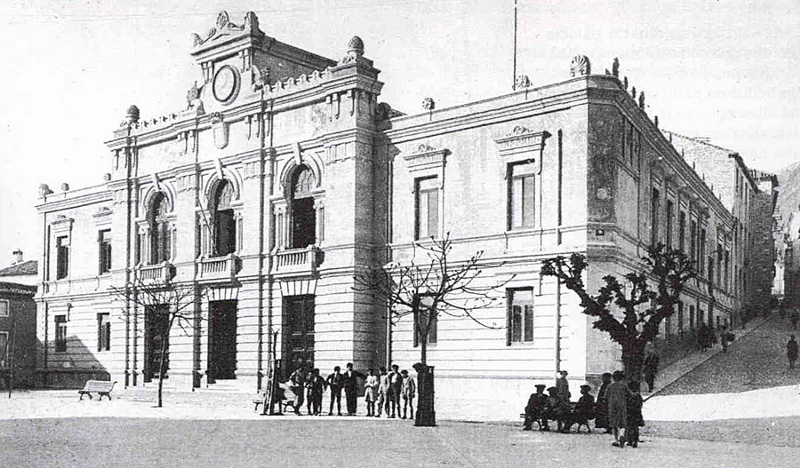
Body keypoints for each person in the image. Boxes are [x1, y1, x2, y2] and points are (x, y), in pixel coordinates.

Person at [606, 371, 629, 448]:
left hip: (612, 406)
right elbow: (629, 395)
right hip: (622, 405)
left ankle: (616, 440)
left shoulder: (610, 386)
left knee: (614, 424)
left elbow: (606, 396)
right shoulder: (624, 386)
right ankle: (622, 435)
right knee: (623, 422)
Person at [625, 380, 645, 448]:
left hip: (629, 413)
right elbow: (640, 404)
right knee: (635, 427)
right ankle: (635, 440)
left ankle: (630, 440)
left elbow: (626, 404)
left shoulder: (628, 396)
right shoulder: (638, 396)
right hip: (636, 413)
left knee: (629, 427)